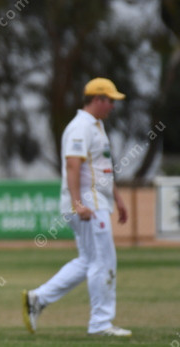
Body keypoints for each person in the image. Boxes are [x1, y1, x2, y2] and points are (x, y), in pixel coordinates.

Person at [22, 77, 131, 337]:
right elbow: (73, 165)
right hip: (88, 206)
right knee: (103, 261)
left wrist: (117, 198)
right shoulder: (80, 127)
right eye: (110, 100)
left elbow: (102, 169)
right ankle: (101, 324)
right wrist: (77, 204)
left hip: (97, 203)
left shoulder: (96, 126)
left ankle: (38, 298)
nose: (113, 106)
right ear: (98, 99)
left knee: (89, 261)